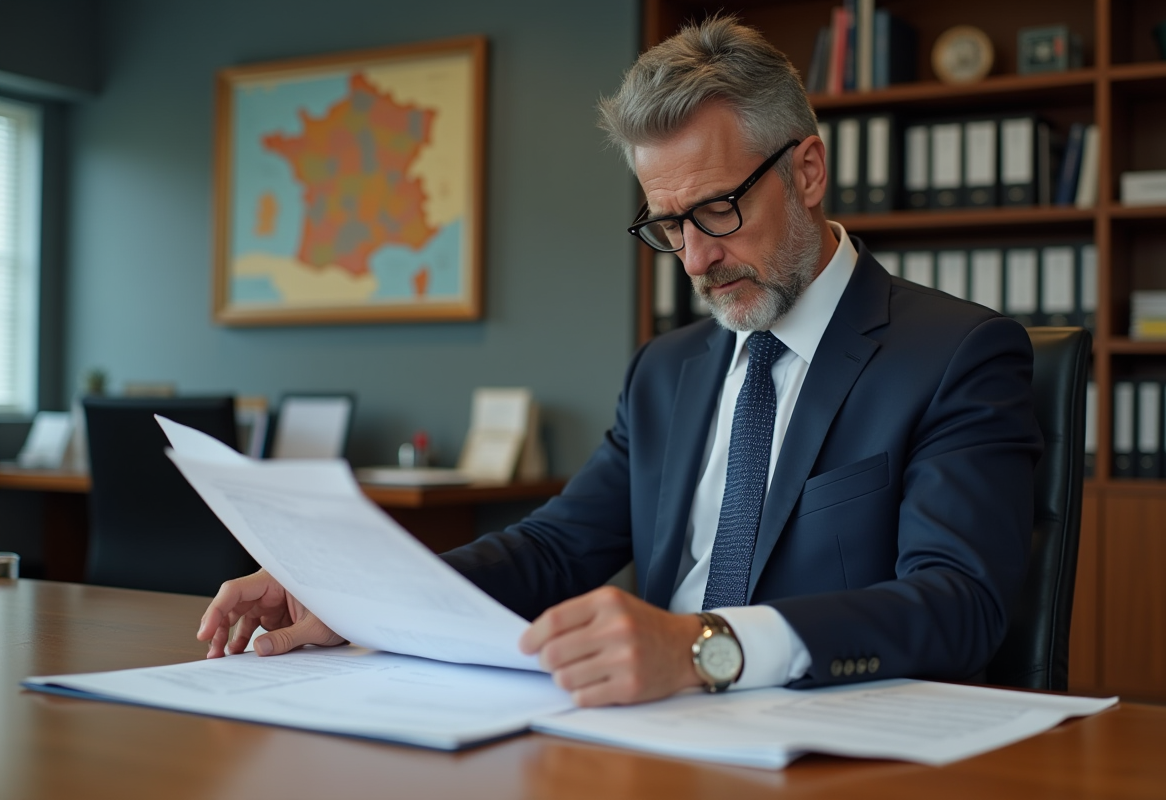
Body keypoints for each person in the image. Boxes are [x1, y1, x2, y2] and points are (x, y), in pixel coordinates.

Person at [197, 17, 1041, 708]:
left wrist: (704, 647)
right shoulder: (666, 371)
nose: (695, 262)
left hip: (835, 747)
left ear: (808, 169)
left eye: (716, 211)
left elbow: (959, 603)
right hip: (648, 735)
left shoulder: (954, 354)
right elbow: (556, 548)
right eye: (669, 226)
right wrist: (353, 595)